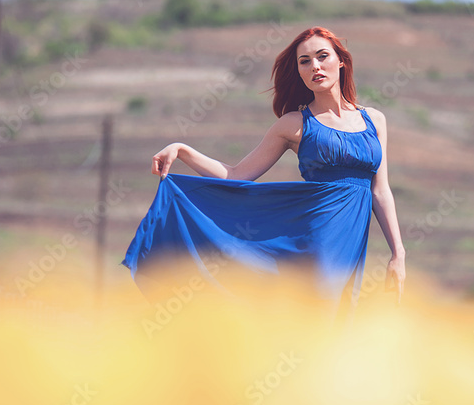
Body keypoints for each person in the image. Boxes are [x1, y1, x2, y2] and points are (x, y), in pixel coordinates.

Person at [121, 26, 406, 308]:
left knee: (340, 322)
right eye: (304, 62)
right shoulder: (294, 124)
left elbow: (380, 191)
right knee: (318, 316)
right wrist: (182, 150)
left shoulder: (375, 120)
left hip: (352, 243)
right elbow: (237, 175)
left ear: (341, 61)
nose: (315, 66)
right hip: (316, 237)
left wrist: (398, 253)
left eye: (322, 56)